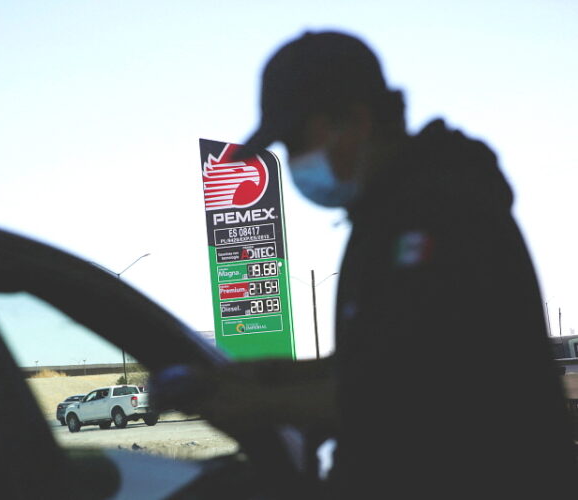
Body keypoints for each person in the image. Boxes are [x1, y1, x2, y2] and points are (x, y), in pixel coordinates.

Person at [153, 31, 576, 498]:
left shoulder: (439, 213)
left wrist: (261, 404)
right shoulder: (389, 213)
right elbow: (385, 357)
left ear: (354, 120)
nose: (294, 161)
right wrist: (282, 376)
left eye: (297, 141)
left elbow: (413, 393)